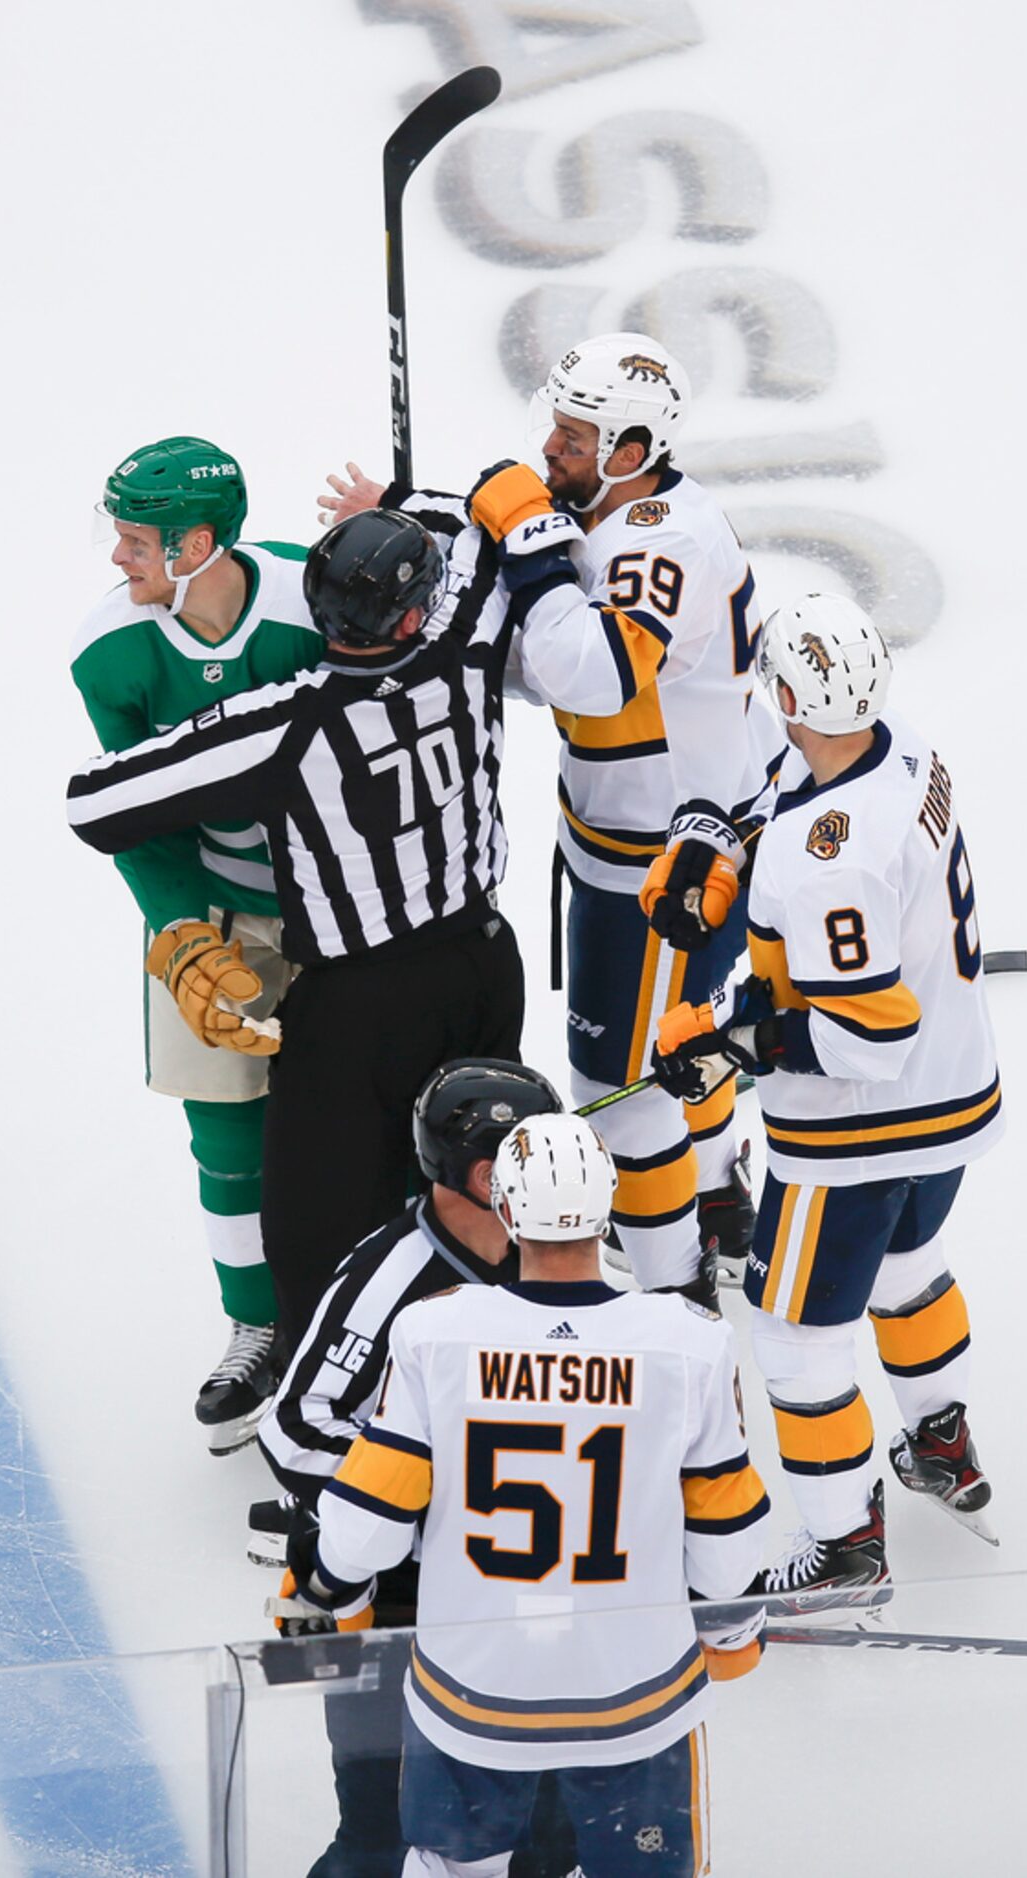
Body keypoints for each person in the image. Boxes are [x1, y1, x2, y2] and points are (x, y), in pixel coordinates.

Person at [320, 331, 779, 1305]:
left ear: (631, 448)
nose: (552, 453)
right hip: (643, 831)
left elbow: (593, 673)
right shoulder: (621, 515)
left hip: (665, 858)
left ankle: (670, 1294)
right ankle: (715, 1200)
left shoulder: (662, 538)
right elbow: (534, 657)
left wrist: (529, 544)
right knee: (680, 1043)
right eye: (556, 429)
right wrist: (419, 539)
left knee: (620, 1095)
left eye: (575, 438)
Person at [68, 507, 550, 1354]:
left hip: (356, 1002)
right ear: (413, 616)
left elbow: (96, 802)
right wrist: (406, 500)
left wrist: (203, 735)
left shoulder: (283, 723)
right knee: (476, 1185)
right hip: (481, 965)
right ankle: (485, 1366)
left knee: (314, 1232)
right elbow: (482, 539)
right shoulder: (467, 647)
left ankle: (326, 1418)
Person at [277, 1111, 771, 1877]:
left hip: (474, 1694)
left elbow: (368, 1530)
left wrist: (326, 1578)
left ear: (506, 1210)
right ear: (607, 1207)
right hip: (635, 1697)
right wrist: (733, 1634)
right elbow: (727, 1544)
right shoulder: (689, 1340)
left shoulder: (434, 1333)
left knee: (449, 1868)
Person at [652, 593, 1004, 1612]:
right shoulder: (904, 748)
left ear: (794, 692)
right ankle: (942, 1440)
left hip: (858, 1130)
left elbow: (866, 1031)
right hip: (953, 1093)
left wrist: (727, 1041)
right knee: (910, 1267)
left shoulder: (824, 865)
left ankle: (845, 1547)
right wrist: (721, 852)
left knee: (793, 1339)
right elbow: (793, 794)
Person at [71, 435, 324, 1452]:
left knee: (388, 1119)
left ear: (199, 543)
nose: (117, 560)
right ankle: (257, 1325)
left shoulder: (314, 602)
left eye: (136, 541)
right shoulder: (113, 652)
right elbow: (138, 813)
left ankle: (393, 1319)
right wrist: (179, 932)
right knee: (227, 1139)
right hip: (225, 914)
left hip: (344, 909)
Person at [262, 1058, 568, 1878]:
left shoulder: (560, 1258)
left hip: (517, 1603)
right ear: (477, 1172)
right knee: (381, 1836)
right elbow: (296, 1428)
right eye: (531, 1156)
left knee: (548, 1835)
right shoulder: (390, 1277)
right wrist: (425, 1513)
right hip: (393, 1602)